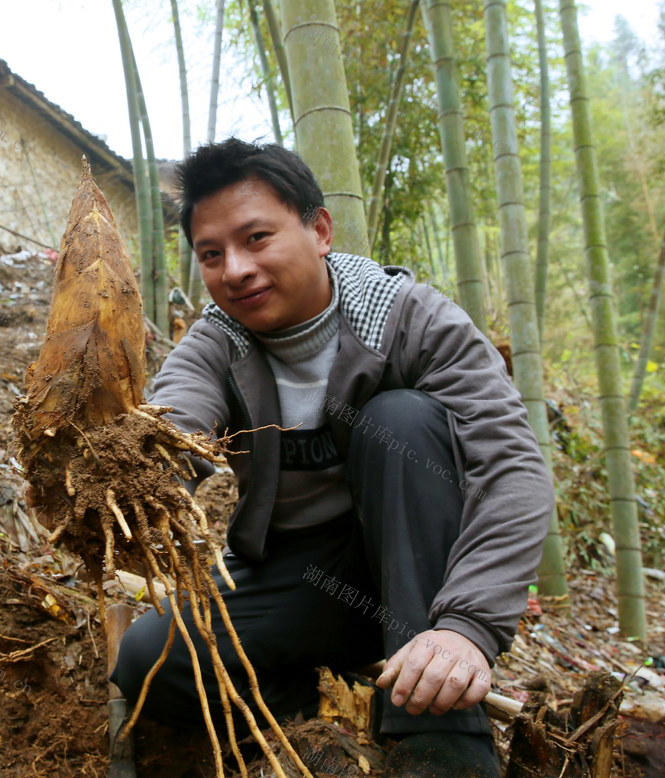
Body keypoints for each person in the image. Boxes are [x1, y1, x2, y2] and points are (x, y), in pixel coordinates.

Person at [109, 139, 553, 777]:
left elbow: (512, 468)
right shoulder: (217, 344)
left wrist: (468, 625)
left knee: (400, 419)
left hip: (418, 572)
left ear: (319, 230)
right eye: (211, 254)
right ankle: (312, 714)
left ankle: (442, 741)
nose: (234, 269)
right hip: (302, 575)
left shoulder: (409, 320)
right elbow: (177, 417)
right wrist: (140, 470)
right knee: (149, 661)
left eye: (256, 237)